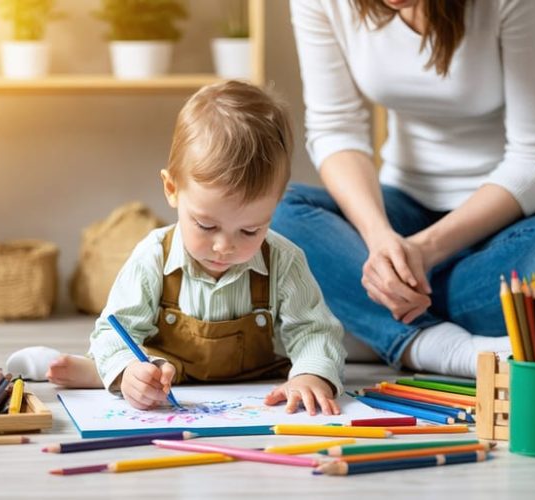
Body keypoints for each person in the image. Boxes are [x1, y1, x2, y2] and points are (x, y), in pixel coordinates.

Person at [271, 0, 535, 378]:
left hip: (523, 217)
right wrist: (381, 239)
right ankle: (431, 344)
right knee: (276, 213)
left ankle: (370, 316)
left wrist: (422, 252)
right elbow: (335, 129)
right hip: (406, 206)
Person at [46, 80, 347, 415]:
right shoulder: (153, 256)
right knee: (139, 366)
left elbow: (314, 329)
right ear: (172, 189)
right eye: (207, 226)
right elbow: (115, 330)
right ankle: (111, 374)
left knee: (305, 365)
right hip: (170, 374)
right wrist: (129, 369)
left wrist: (311, 375)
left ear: (274, 206)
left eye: (250, 230)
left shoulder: (284, 259)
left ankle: (102, 372)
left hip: (255, 378)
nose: (224, 246)